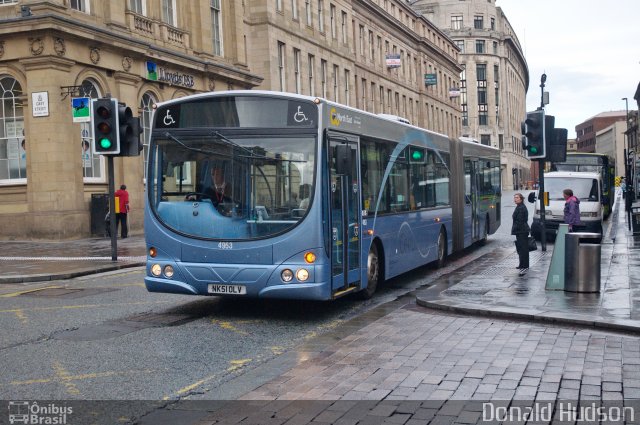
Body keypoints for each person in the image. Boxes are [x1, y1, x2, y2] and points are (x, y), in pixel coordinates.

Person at [511, 192, 529, 276]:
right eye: (515, 197)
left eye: (517, 197)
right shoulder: (519, 206)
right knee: (521, 248)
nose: (515, 199)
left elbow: (520, 220)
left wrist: (516, 228)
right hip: (520, 230)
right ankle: (522, 264)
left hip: (522, 231)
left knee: (523, 248)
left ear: (521, 199)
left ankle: (524, 265)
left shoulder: (521, 208)